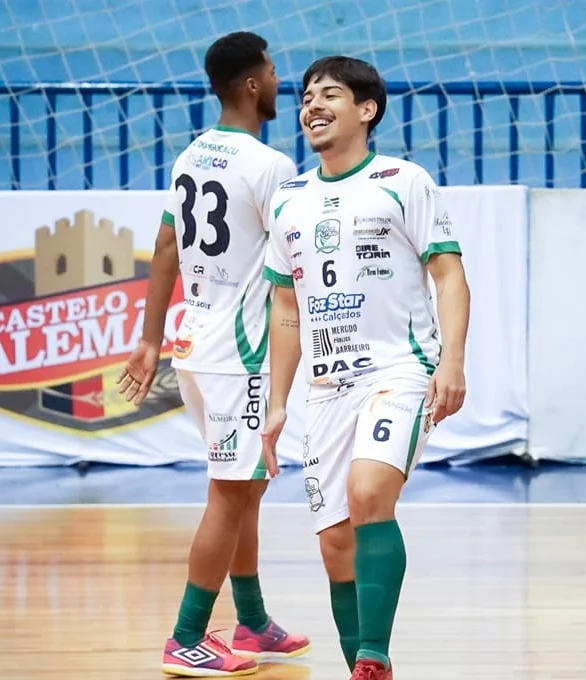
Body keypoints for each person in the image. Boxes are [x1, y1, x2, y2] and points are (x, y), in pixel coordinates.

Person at [261, 56, 470, 680]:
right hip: (327, 388)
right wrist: (277, 401)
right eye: (305, 97)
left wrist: (452, 361)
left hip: (399, 371)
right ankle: (364, 665)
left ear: (366, 110)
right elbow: (286, 306)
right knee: (335, 544)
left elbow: (449, 275)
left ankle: (373, 654)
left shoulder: (403, 180)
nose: (311, 106)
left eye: (329, 94)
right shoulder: (288, 199)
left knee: (369, 493)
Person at [117, 31, 310, 677]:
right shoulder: (270, 165)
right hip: (239, 354)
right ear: (252, 84)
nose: (280, 81)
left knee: (244, 489)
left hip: (196, 342)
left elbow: (165, 249)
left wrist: (149, 340)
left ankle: (251, 622)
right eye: (273, 71)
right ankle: (186, 637)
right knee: (230, 496)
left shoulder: (190, 155)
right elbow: (293, 265)